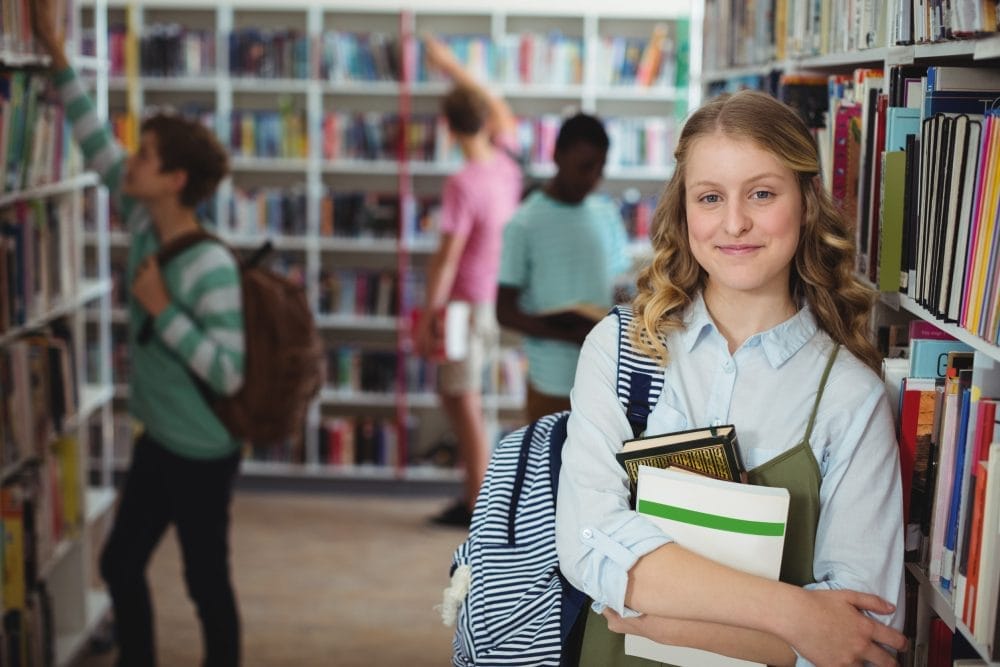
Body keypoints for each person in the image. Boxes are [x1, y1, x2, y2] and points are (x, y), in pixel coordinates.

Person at [555, 90, 908, 666]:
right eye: (711, 197)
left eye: (762, 193)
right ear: (684, 210)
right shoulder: (622, 349)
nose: (735, 222)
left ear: (805, 200)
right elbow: (589, 543)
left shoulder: (850, 396)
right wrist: (795, 615)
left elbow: (856, 633)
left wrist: (665, 617)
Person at [32, 3, 245, 665]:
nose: (131, 160)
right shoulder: (144, 218)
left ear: (175, 180)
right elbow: (96, 143)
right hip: (160, 439)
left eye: (145, 155)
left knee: (204, 579)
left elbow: (228, 371)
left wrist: (162, 309)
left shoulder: (210, 264)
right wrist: (58, 55)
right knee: (122, 562)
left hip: (204, 450)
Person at [414, 35, 522, 527]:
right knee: (460, 397)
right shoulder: (505, 163)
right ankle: (474, 493)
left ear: (448, 127)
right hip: (492, 299)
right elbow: (498, 108)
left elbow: (445, 259)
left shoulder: (464, 182)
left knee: (464, 400)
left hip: (462, 305)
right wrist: (451, 65)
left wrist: (428, 316)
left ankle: (477, 503)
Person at [496, 113, 630, 422]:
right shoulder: (524, 223)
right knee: (549, 468)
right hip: (552, 382)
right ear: (557, 156)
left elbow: (617, 284)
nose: (593, 177)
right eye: (584, 166)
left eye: (600, 167)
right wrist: (568, 334)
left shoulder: (605, 213)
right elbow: (504, 311)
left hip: (606, 377)